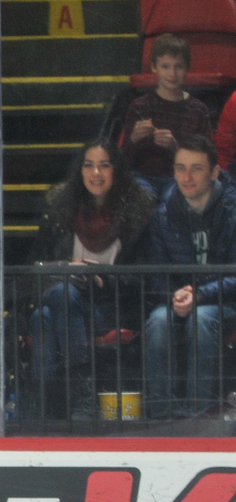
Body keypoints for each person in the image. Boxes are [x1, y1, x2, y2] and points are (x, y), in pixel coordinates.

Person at [26, 139, 156, 422]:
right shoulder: (60, 211)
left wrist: (101, 281)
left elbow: (142, 278)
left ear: (116, 171)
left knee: (43, 319)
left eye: (104, 165)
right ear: (80, 171)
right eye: (89, 165)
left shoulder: (136, 213)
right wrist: (65, 269)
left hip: (109, 307)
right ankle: (81, 394)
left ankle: (44, 408)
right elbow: (35, 264)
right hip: (64, 297)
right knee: (61, 294)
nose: (96, 173)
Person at [143, 137, 236, 421]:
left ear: (214, 172)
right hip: (183, 299)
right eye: (180, 168)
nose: (187, 176)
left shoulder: (232, 210)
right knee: (158, 320)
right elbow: (157, 273)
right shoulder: (162, 214)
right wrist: (173, 295)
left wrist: (199, 294)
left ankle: (198, 413)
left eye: (196, 168)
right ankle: (160, 415)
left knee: (202, 319)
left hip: (226, 301)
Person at [129, 34, 214, 196]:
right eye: (165, 66)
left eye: (179, 67)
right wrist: (134, 137)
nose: (172, 74)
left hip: (180, 178)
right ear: (154, 67)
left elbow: (207, 157)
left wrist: (175, 148)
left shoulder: (199, 109)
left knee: (172, 200)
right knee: (144, 198)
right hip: (142, 177)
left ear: (187, 68)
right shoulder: (139, 106)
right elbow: (123, 159)